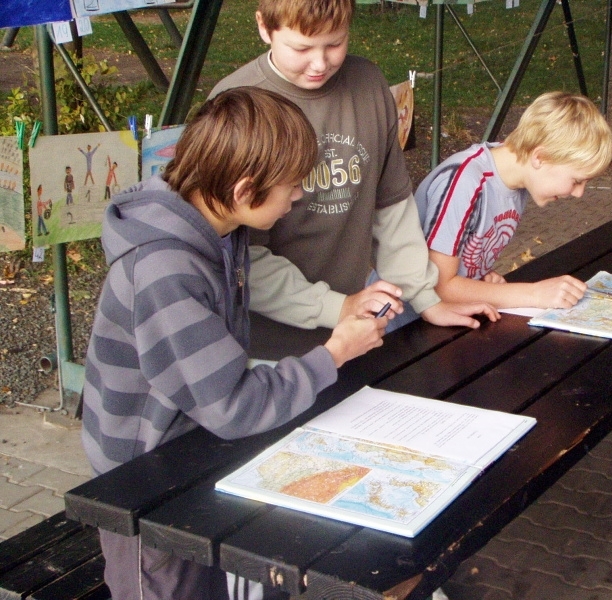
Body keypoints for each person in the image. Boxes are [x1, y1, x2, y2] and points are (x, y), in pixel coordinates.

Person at [81, 87, 387, 600]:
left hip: (186, 446)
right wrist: (335, 352)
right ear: (245, 190)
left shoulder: (217, 226)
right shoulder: (165, 268)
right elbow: (233, 404)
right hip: (142, 482)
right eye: (293, 186)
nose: (298, 198)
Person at [209, 0, 498, 348]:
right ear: (263, 27)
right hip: (264, 346)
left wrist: (426, 299)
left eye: (335, 43)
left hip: (351, 330)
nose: (320, 63)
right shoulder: (236, 103)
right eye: (301, 48)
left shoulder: (368, 84)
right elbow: (238, 254)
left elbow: (392, 208)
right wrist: (336, 307)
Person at [414, 91, 612, 312]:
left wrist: (481, 280)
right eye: (576, 181)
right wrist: (535, 294)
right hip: (407, 323)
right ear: (539, 157)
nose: (579, 193)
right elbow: (439, 287)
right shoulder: (465, 181)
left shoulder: (518, 182)